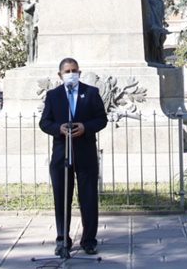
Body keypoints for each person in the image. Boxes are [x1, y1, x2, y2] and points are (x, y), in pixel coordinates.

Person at [39, 57, 108, 256]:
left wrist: (86, 127)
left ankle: (89, 240)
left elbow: (101, 119)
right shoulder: (53, 95)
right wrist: (58, 128)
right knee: (62, 197)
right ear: (60, 75)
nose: (71, 73)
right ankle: (63, 240)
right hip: (62, 153)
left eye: (74, 70)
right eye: (67, 71)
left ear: (79, 72)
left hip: (85, 152)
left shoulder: (91, 92)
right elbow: (45, 122)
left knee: (88, 197)